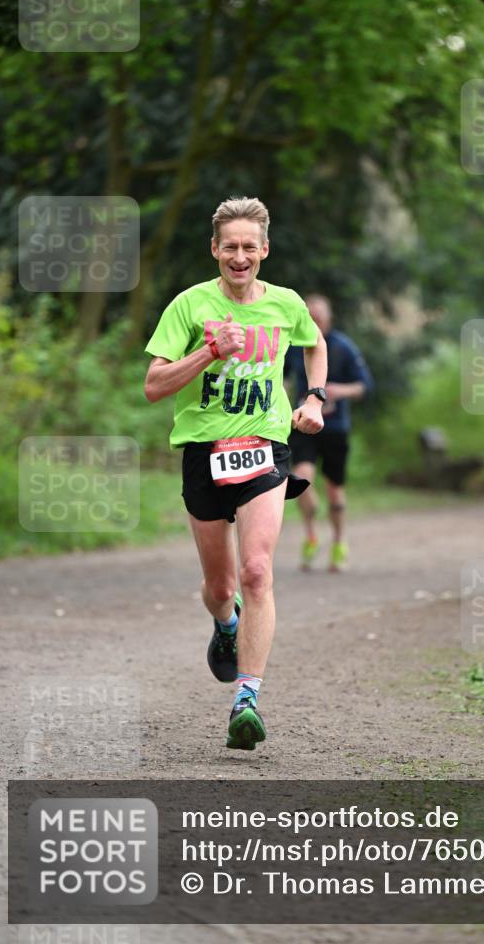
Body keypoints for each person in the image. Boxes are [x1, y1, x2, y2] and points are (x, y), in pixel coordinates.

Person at [144, 197, 327, 751]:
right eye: (231, 247)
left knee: (255, 571)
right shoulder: (189, 306)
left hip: (265, 446)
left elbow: (314, 344)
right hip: (204, 450)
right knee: (222, 588)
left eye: (250, 246)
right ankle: (226, 625)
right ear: (216, 251)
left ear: (264, 250)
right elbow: (154, 386)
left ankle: (247, 698)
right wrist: (206, 354)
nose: (240, 256)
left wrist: (314, 397)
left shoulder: (286, 304)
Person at [285, 294, 373, 571]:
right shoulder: (293, 346)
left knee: (335, 492)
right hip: (302, 423)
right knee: (300, 480)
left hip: (335, 428)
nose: (315, 321)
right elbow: (279, 377)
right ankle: (311, 534)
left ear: (329, 319)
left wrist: (337, 390)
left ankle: (339, 542)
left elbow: (365, 386)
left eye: (319, 317)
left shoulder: (343, 347)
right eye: (310, 317)